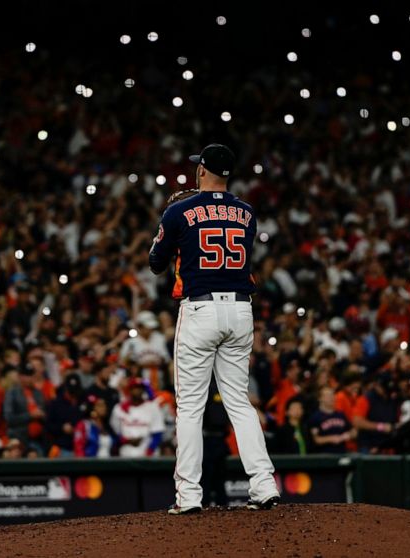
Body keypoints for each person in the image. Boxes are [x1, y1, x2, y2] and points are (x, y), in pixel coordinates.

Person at [149, 143, 280, 514]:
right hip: (240, 310)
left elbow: (156, 263)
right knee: (239, 401)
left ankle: (189, 496)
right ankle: (264, 485)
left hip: (200, 309)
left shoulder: (180, 211)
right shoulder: (247, 213)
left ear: (202, 170)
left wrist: (170, 225)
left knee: (191, 407)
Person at [110, 378, 165, 458]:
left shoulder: (152, 407)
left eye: (140, 388)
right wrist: (126, 441)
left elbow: (157, 433)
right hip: (125, 454)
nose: (137, 390)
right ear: (129, 390)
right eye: (135, 388)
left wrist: (149, 452)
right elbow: (114, 432)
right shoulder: (119, 408)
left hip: (147, 455)